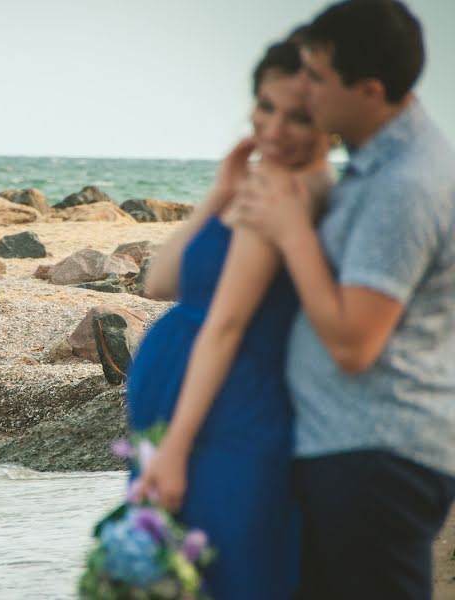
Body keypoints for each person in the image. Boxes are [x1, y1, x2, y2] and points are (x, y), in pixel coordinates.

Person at [231, 2, 455, 598]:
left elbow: (355, 342)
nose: (305, 89)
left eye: (318, 78)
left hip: (375, 456)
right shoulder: (376, 166)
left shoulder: (404, 185)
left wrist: (291, 229)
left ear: (370, 90)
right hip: (350, 450)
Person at [126, 38, 333, 598]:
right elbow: (161, 282)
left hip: (228, 412)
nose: (274, 128)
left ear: (330, 121)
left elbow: (226, 325)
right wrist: (220, 190)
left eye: (299, 116)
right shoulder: (258, 186)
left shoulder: (285, 193)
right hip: (197, 408)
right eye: (266, 107)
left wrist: (174, 449)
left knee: (224, 571)